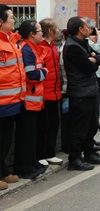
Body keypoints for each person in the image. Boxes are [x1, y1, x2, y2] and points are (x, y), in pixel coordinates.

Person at [62, 17, 100, 171]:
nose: (89, 29)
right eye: (86, 26)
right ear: (80, 29)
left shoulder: (83, 43)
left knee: (91, 125)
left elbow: (99, 57)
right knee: (79, 127)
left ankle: (90, 153)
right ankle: (75, 158)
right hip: (80, 91)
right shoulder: (72, 47)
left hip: (90, 89)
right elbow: (89, 67)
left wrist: (94, 59)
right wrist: (94, 61)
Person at [13, 20, 47, 180]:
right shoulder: (26, 49)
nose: (42, 34)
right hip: (27, 101)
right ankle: (24, 168)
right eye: (40, 31)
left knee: (32, 136)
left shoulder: (33, 48)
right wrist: (45, 72)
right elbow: (31, 75)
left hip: (34, 101)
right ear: (32, 34)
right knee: (25, 137)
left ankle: (32, 163)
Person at [0, 5, 25, 190]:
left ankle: (3, 172)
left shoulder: (11, 41)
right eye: (11, 17)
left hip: (12, 100)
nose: (14, 20)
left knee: (6, 139)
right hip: (1, 101)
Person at [37, 18, 64, 167]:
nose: (59, 31)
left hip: (55, 91)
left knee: (54, 124)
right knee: (43, 126)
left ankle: (50, 153)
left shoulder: (53, 46)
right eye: (57, 28)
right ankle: (41, 154)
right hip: (43, 94)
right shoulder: (40, 47)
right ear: (49, 31)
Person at [86, 18, 100, 131]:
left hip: (96, 73)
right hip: (91, 75)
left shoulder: (88, 41)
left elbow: (98, 55)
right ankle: (94, 123)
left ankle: (95, 121)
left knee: (97, 101)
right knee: (94, 102)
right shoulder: (86, 41)